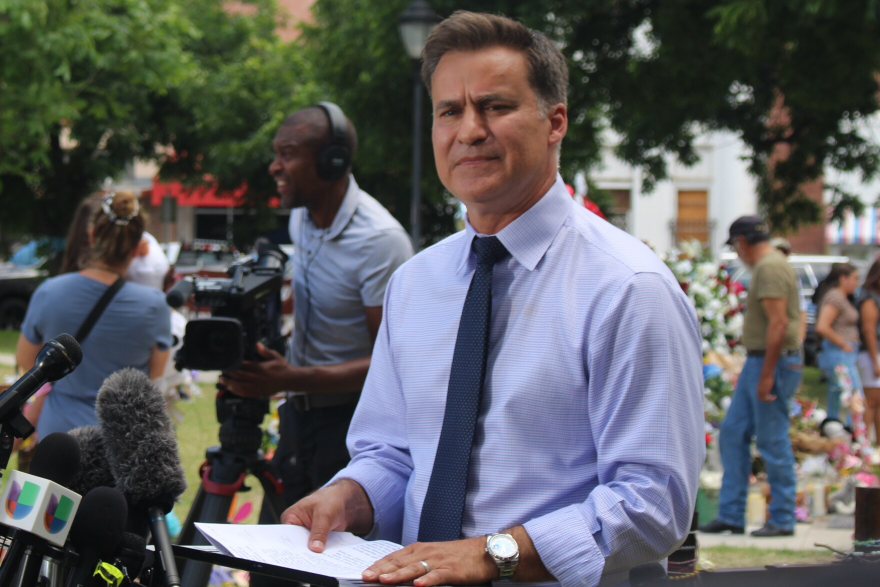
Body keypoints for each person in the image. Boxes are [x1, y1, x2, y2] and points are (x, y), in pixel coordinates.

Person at [279, 12, 705, 587]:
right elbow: (393, 453)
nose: (470, 130)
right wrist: (348, 495)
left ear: (555, 122)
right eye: (449, 111)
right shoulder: (415, 283)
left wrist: (490, 555)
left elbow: (654, 505)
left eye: (495, 107)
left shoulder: (627, 288)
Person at [219, 103, 413, 507]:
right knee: (268, 563)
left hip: (350, 427)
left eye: (287, 153)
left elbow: (390, 364)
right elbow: (310, 301)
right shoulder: (301, 219)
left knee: (337, 564)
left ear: (332, 161)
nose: (274, 166)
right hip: (296, 418)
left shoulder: (379, 241)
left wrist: (290, 378)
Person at [17, 191, 172, 436]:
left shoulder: (49, 293)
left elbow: (27, 362)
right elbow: (156, 375)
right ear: (137, 247)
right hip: (121, 440)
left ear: (92, 236)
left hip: (59, 436)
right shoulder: (154, 305)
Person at [700, 216, 803, 538]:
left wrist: (767, 375)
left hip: (771, 362)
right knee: (732, 432)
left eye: (735, 246)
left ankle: (783, 518)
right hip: (761, 361)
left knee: (772, 440)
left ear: (741, 242)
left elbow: (778, 324)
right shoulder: (772, 264)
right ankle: (731, 514)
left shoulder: (770, 267)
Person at [816, 263, 862, 421]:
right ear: (843, 278)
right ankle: (854, 434)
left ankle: (836, 432)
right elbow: (822, 326)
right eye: (855, 278)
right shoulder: (835, 296)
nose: (857, 282)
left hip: (843, 353)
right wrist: (843, 344)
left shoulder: (841, 297)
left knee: (837, 398)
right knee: (854, 397)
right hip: (839, 354)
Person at [858, 259, 880, 443]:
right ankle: (864, 444)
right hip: (872, 353)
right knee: (871, 401)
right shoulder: (869, 298)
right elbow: (868, 330)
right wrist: (875, 361)